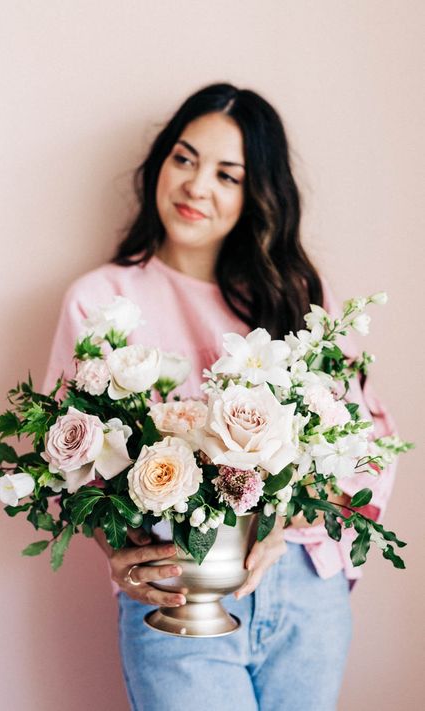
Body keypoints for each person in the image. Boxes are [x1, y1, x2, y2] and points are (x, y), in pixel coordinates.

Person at [43, 83, 397, 711]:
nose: (196, 186)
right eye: (184, 158)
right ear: (160, 164)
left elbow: (365, 443)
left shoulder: (296, 297)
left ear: (256, 193)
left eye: (227, 174)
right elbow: (66, 464)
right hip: (179, 591)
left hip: (302, 594)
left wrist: (284, 530)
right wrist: (119, 553)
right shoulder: (100, 302)